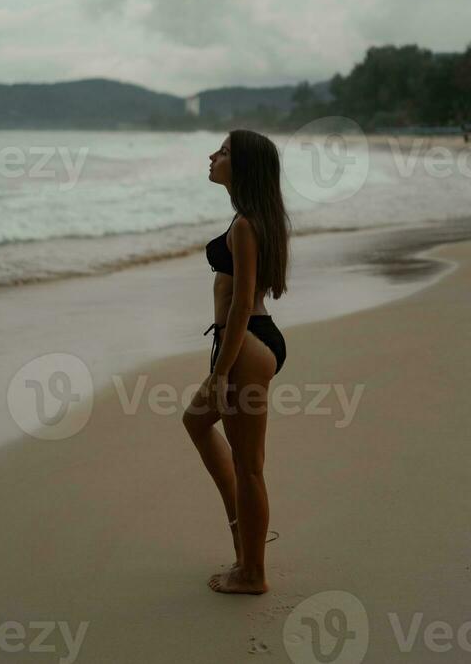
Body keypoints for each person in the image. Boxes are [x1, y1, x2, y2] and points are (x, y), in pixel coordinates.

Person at [182, 129, 290, 595]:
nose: (213, 156)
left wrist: (220, 372)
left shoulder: (247, 224)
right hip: (246, 342)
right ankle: (240, 530)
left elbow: (242, 304)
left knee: (250, 466)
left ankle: (253, 573)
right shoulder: (253, 220)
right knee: (195, 421)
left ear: (242, 166)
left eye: (223, 152)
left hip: (243, 346)